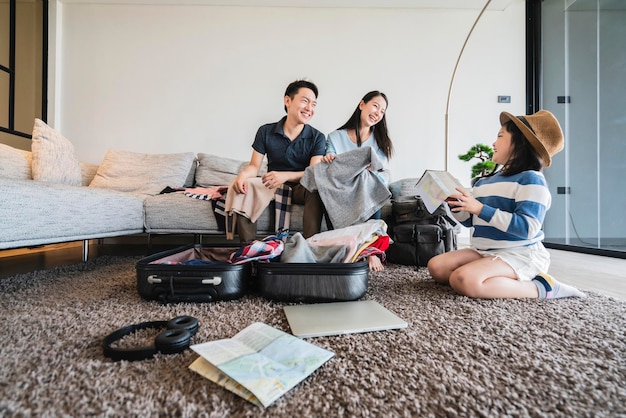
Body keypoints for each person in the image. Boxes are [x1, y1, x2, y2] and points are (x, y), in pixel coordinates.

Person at [427, 110, 586, 299]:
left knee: (464, 280)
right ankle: (493, 277)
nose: (493, 143)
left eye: (500, 136)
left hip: (520, 254)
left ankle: (545, 287)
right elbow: (472, 221)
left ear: (520, 145)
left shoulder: (532, 180)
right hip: (485, 251)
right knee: (436, 267)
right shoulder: (485, 182)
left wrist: (480, 208)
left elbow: (528, 227)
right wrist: (456, 205)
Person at [231, 79, 326, 243]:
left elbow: (314, 172)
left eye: (314, 104)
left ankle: (311, 250)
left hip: (300, 188)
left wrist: (285, 175)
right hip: (272, 187)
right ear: (287, 100)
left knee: (316, 187)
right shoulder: (265, 131)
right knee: (244, 188)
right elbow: (254, 166)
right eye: (305, 101)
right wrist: (242, 176)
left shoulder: (317, 137)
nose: (310, 108)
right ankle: (249, 252)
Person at [321, 90, 395, 271]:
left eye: (382, 111)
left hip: (367, 189)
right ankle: (344, 247)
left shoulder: (381, 141)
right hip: (342, 190)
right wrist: (329, 158)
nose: (378, 113)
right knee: (326, 185)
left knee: (369, 180)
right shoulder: (335, 137)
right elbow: (332, 166)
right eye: (375, 106)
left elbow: (380, 170)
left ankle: (370, 251)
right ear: (362, 105)